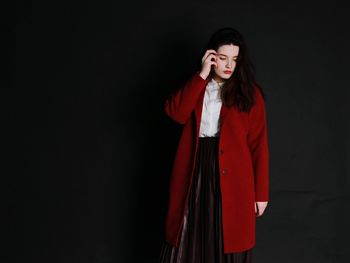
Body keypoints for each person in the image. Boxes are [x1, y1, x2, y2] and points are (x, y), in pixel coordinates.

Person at [159, 27, 269, 263]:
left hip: (234, 173)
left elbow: (259, 145)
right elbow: (176, 114)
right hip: (194, 166)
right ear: (210, 56)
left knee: (227, 235)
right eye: (222, 58)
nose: (229, 65)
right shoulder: (195, 86)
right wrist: (201, 75)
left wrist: (261, 193)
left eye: (234, 59)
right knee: (189, 234)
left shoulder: (250, 94)